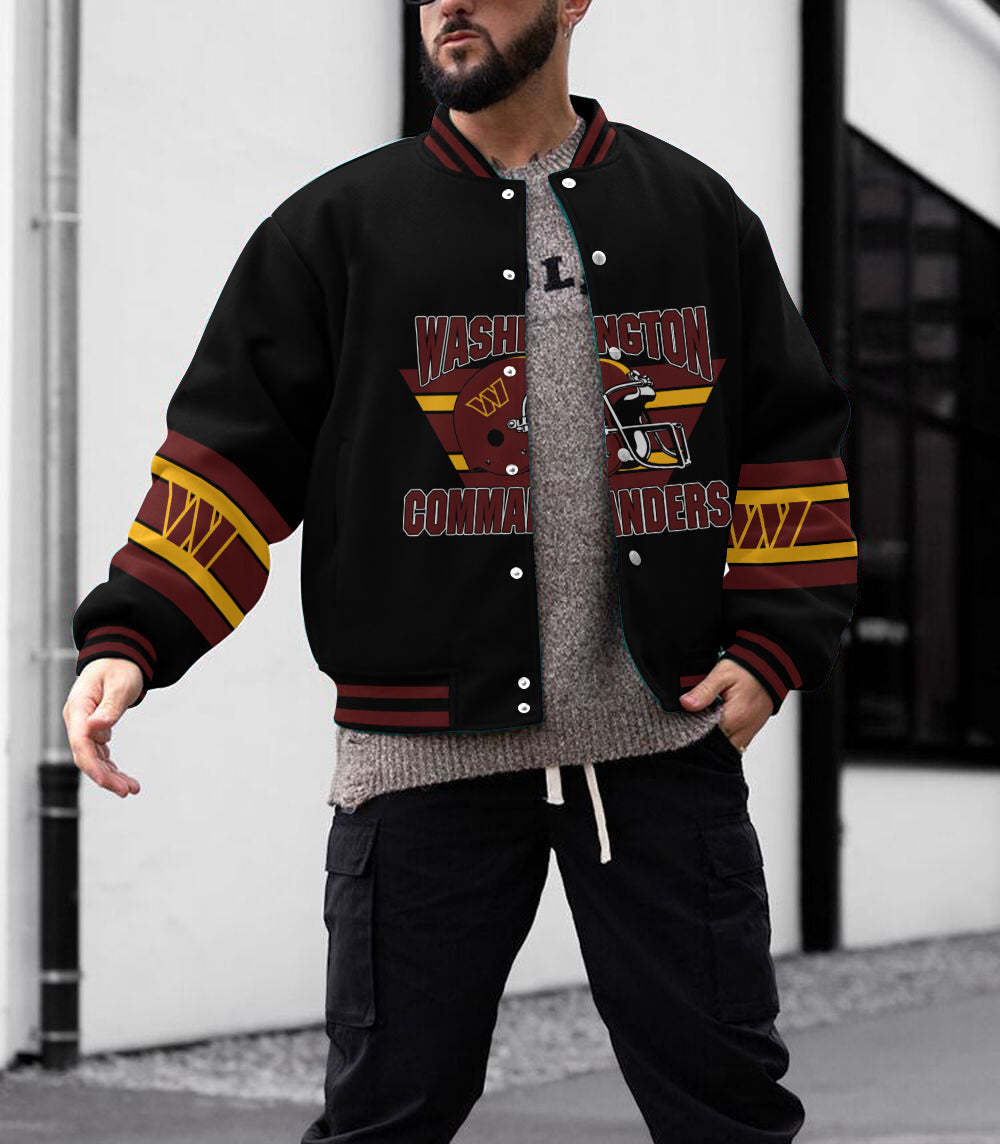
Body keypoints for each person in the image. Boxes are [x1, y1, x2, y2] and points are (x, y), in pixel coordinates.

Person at [63, 0, 858, 1139]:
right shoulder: (338, 227)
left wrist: (775, 643)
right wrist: (135, 635)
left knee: (728, 1115)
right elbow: (232, 456)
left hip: (659, 752)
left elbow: (791, 437)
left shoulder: (691, 213)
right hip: (419, 765)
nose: (449, 3)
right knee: (386, 1119)